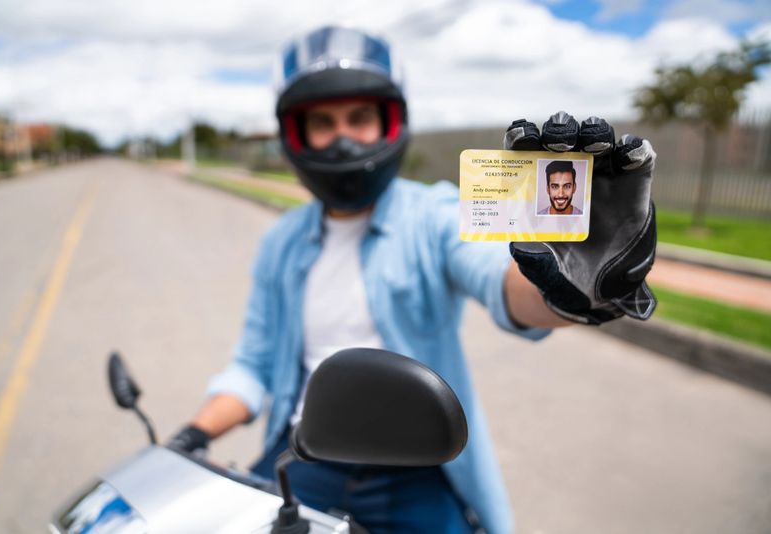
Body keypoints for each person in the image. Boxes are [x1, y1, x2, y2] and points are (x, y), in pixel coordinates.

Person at [168, 26, 658, 533]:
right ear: (297, 133)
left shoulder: (434, 214)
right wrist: (192, 434)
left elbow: (502, 284)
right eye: (323, 122)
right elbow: (252, 364)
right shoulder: (281, 243)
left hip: (419, 463)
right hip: (307, 450)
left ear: (388, 122)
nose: (342, 137)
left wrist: (573, 289)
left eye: (359, 117)